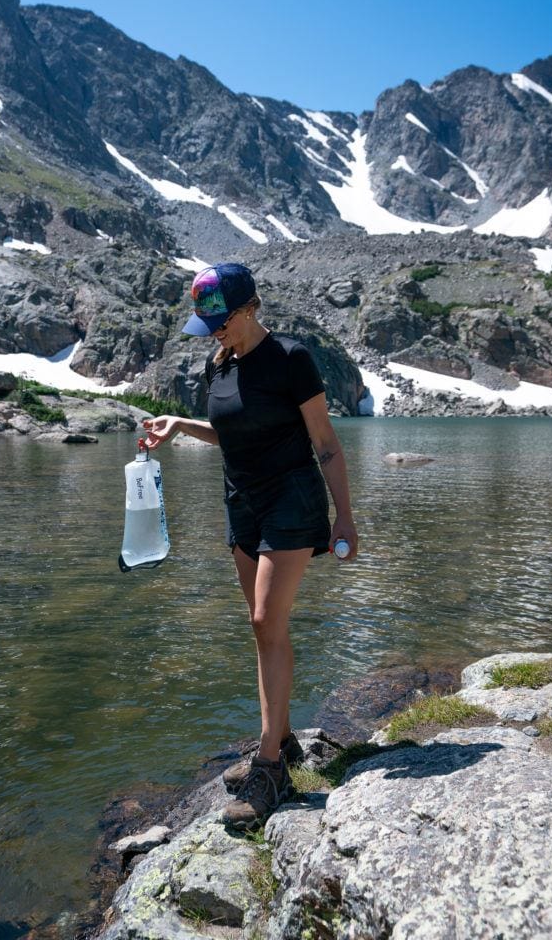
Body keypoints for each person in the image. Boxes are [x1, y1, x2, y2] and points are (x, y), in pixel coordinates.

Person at [143, 262, 357, 831]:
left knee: (266, 619)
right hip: (241, 503)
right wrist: (180, 426)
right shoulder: (220, 365)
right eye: (207, 321)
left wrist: (345, 517)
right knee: (261, 626)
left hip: (291, 498)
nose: (213, 330)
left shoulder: (291, 358)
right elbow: (233, 433)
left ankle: (270, 770)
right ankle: (282, 740)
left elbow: (325, 442)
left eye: (221, 319)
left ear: (250, 308)